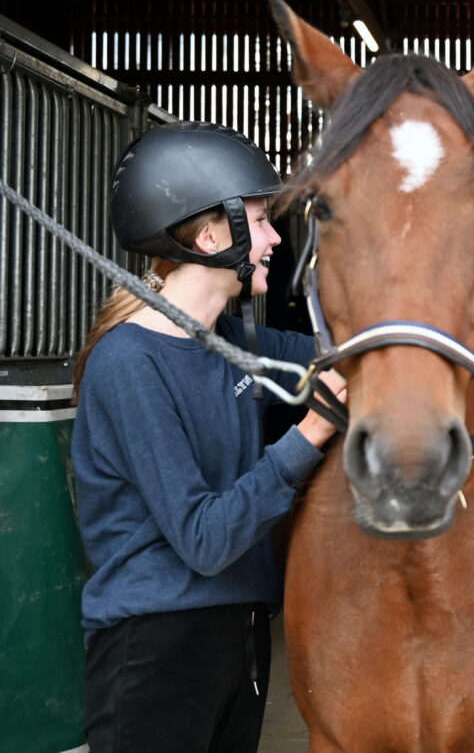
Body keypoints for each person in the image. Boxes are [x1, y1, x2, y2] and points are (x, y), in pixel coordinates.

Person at [70, 121, 345, 753]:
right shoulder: (129, 363)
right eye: (261, 218)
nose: (276, 237)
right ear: (211, 232)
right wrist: (311, 431)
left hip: (238, 635)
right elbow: (203, 538)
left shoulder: (240, 345)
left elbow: (343, 362)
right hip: (155, 647)